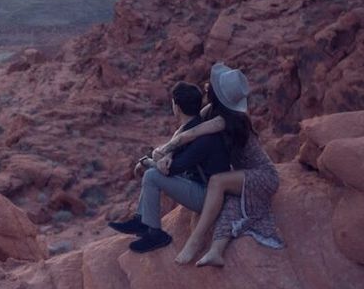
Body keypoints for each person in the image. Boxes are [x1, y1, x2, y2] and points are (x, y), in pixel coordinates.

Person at [157, 63, 284, 267]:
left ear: (217, 94)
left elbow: (190, 134)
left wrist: (163, 151)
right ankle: (215, 252)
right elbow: (184, 130)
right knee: (228, 208)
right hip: (243, 174)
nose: (207, 85)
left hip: (262, 176)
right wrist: (170, 154)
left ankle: (195, 242)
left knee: (217, 182)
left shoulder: (225, 120)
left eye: (212, 85)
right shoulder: (212, 111)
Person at [108, 81, 232, 253]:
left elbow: (171, 169)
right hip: (203, 185)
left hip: (209, 197)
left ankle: (155, 235)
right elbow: (173, 154)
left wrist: (146, 162)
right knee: (153, 171)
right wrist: (158, 158)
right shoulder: (194, 126)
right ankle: (141, 221)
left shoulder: (201, 138)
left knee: (152, 175)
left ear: (176, 107)